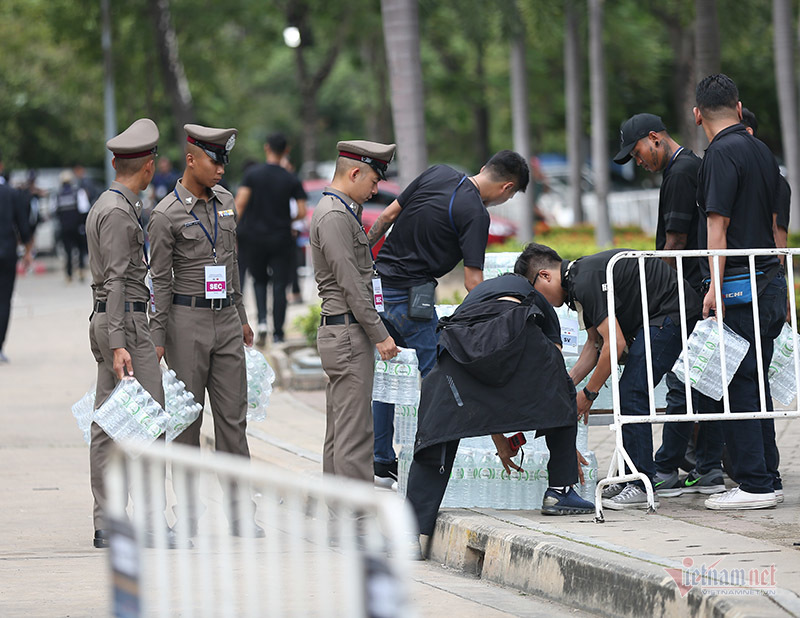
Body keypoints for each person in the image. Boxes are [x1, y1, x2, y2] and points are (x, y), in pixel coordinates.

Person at [367, 150, 530, 486]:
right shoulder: (476, 214)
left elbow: (386, 216)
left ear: (484, 168)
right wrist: (495, 319)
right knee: (438, 374)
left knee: (387, 371)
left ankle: (381, 461)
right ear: (507, 188)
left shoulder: (438, 172)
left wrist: (362, 261)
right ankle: (428, 461)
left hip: (379, 286)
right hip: (414, 297)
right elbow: (473, 280)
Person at [406, 268, 594, 546]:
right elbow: (552, 371)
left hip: (457, 346)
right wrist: (565, 444)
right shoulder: (531, 294)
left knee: (438, 427)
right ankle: (560, 490)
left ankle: (412, 533)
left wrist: (500, 441)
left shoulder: (475, 297)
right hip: (515, 328)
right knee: (561, 384)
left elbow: (483, 392)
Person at [148, 124, 262, 536]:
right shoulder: (165, 214)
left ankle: (240, 517)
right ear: (191, 159)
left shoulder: (227, 202)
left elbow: (232, 267)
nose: (220, 169)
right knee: (186, 426)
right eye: (214, 161)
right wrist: (157, 338)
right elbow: (159, 280)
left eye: (224, 161)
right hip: (185, 323)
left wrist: (243, 316)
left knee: (233, 421)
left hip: (227, 321)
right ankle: (190, 518)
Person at [526, 244, 702, 510]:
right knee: (628, 393)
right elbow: (594, 345)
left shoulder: (584, 280)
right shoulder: (578, 281)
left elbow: (615, 344)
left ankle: (641, 485)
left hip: (671, 311)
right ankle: (630, 475)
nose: (541, 302)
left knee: (631, 392)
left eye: (535, 293)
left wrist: (588, 394)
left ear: (544, 276)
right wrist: (565, 385)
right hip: (656, 316)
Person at [613, 113, 724, 498]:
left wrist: (650, 292)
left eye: (638, 152)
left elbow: (674, 244)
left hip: (681, 297)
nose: (639, 161)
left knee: (661, 385)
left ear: (655, 138)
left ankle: (657, 472)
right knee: (693, 385)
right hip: (690, 294)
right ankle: (697, 466)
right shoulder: (686, 166)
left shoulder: (680, 172)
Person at [693, 74, 787, 510]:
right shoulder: (761, 150)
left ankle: (753, 484)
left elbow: (718, 227)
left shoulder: (719, 153)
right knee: (758, 381)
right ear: (738, 103)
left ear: (698, 114)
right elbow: (774, 225)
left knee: (740, 383)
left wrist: (713, 285)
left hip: (739, 288)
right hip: (769, 281)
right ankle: (768, 474)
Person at [85, 118, 176, 548]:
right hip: (127, 323)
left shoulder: (103, 204)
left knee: (106, 423)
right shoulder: (121, 213)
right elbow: (119, 280)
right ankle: (152, 521)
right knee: (150, 421)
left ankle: (107, 521)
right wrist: (122, 343)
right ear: (148, 166)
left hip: (106, 318)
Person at [309, 140, 399, 484]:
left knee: (342, 431)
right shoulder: (333, 215)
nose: (375, 189)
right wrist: (381, 335)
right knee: (354, 434)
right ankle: (356, 523)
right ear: (355, 172)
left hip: (345, 331)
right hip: (347, 333)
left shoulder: (341, 211)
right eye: (374, 181)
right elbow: (351, 283)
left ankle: (341, 521)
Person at [235, 132, 307, 345]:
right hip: (281, 237)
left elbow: (239, 205)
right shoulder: (291, 178)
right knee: (279, 284)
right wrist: (286, 218)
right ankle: (278, 333)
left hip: (254, 237)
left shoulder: (252, 175)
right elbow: (302, 211)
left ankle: (263, 322)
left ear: (267, 148)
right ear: (286, 150)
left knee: (258, 280)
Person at [0, 151, 33, 363]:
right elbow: (23, 226)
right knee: (3, 300)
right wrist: (28, 251)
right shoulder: (11, 193)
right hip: (7, 251)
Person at [55, 170, 90, 282]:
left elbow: (54, 211)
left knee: (68, 251)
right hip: (78, 226)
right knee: (80, 249)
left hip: (64, 227)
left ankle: (69, 274)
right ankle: (80, 270)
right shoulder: (78, 192)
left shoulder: (58, 195)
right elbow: (84, 209)